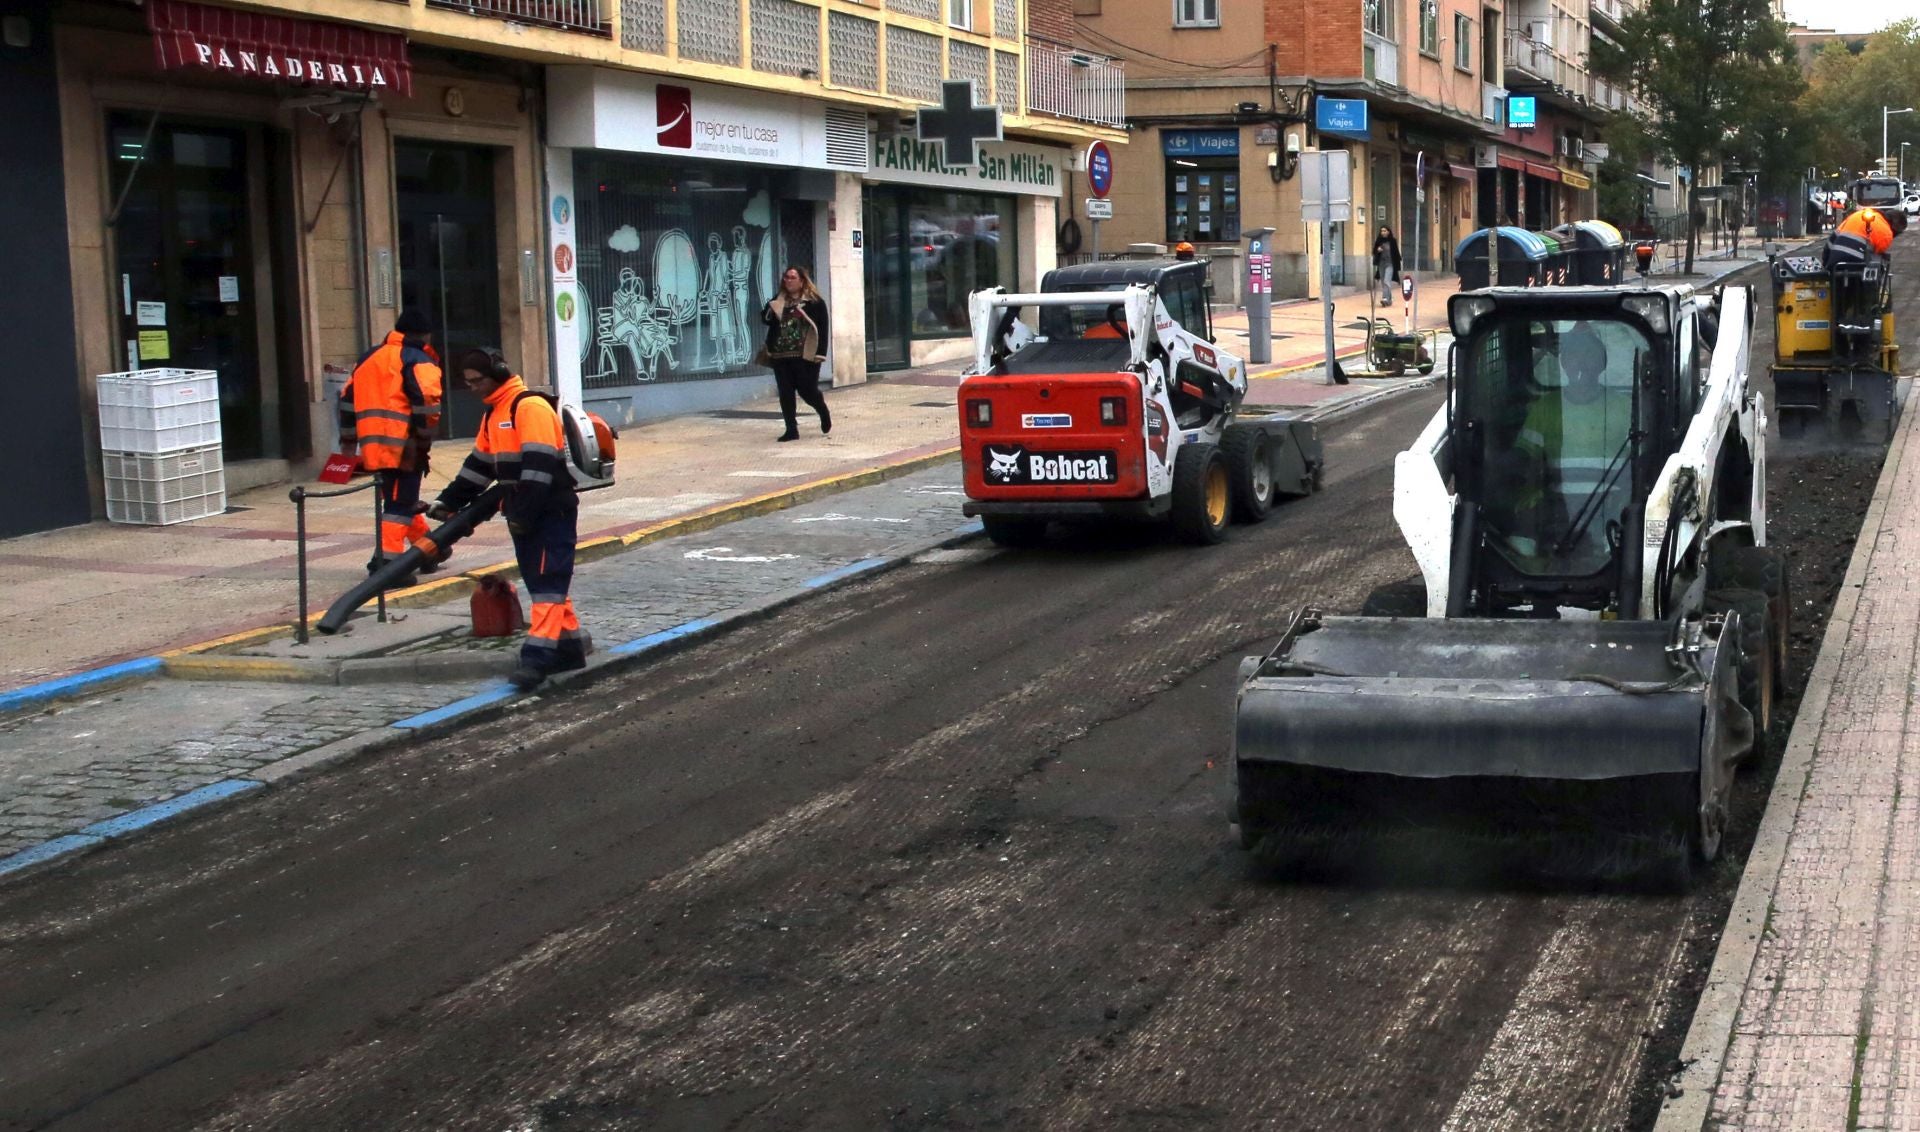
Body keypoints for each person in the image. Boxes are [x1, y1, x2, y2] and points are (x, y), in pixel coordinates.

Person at [427, 350, 589, 690]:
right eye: (467, 382)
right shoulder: (494, 413)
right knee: (544, 582)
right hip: (524, 511)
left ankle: (536, 660)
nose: (472, 388)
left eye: (477, 380)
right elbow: (480, 467)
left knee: (548, 583)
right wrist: (448, 501)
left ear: (499, 373)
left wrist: (523, 515)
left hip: (549, 511)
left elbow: (539, 468)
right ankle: (570, 647)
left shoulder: (528, 407)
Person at [346, 308, 443, 582]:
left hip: (373, 446)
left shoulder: (369, 357)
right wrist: (425, 436)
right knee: (399, 506)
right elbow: (428, 402)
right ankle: (388, 567)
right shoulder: (418, 359)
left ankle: (430, 550)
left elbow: (346, 398)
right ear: (425, 335)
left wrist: (347, 439)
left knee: (400, 500)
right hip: (404, 446)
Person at [761, 265, 832, 442]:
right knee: (785, 392)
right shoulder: (779, 299)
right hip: (780, 355)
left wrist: (820, 354)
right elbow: (766, 319)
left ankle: (822, 409)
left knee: (807, 390)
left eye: (792, 277)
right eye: (786, 277)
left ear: (802, 281)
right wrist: (774, 306)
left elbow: (822, 329)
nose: (788, 281)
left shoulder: (814, 302)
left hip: (805, 355)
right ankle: (791, 429)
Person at [1372, 225, 1402, 306]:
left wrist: (1397, 264)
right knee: (1383, 282)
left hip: (1390, 264)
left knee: (1386, 281)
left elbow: (1396, 253)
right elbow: (1374, 251)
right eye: (1382, 231)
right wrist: (1377, 250)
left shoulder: (1392, 241)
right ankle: (1389, 299)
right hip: (1381, 264)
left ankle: (1384, 298)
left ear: (1388, 232)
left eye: (1385, 231)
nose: (1383, 232)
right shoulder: (1379, 241)